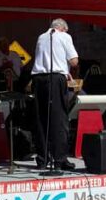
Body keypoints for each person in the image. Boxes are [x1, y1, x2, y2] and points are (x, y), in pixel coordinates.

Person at [31, 18, 79, 171]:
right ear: (62, 28)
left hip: (38, 79)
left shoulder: (41, 37)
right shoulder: (64, 36)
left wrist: (64, 72)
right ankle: (59, 160)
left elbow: (49, 58)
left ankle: (42, 159)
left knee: (41, 119)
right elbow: (74, 61)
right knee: (59, 119)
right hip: (55, 79)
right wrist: (64, 70)